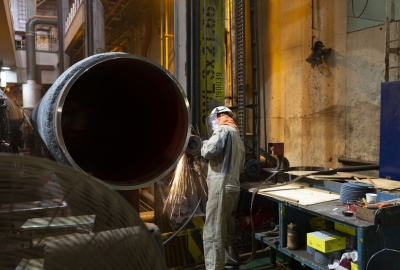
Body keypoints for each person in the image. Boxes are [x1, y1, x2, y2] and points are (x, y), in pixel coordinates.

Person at [201, 106, 245, 270]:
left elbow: (209, 151)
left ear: (219, 116)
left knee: (214, 229)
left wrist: (203, 144)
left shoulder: (223, 131)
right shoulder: (237, 136)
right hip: (233, 186)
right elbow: (240, 164)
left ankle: (214, 267)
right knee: (227, 228)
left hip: (220, 185)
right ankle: (229, 262)